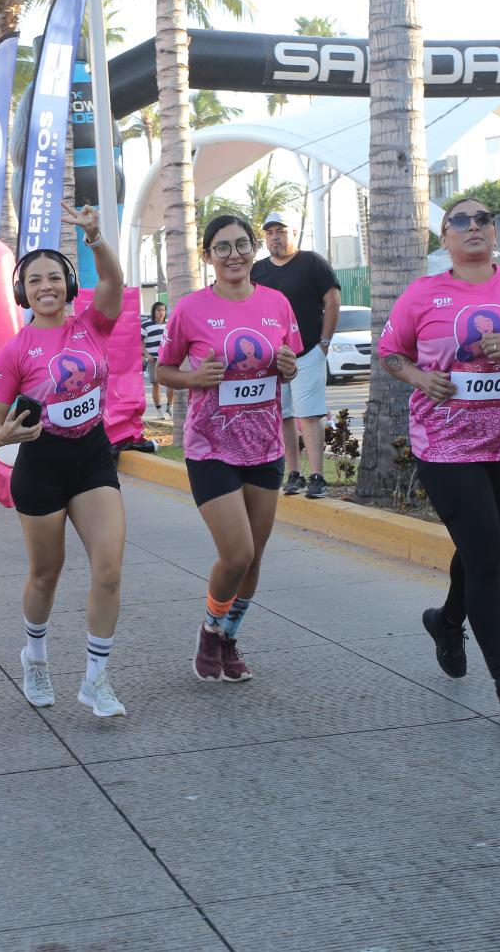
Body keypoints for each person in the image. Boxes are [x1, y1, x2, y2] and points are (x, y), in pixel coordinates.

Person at [380, 198, 500, 718]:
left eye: (481, 219)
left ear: (493, 232)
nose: (472, 227)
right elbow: (391, 353)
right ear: (444, 238)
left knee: (478, 548)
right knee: (487, 555)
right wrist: (421, 378)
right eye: (459, 221)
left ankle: (447, 620)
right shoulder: (422, 294)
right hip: (443, 446)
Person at [0, 202, 128, 718]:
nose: (46, 286)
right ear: (23, 291)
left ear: (68, 285)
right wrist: (6, 433)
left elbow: (114, 278)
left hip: (92, 457)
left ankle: (95, 680)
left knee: (108, 569)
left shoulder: (94, 326)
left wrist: (94, 236)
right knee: (47, 574)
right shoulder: (15, 351)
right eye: (35, 280)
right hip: (40, 467)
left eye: (54, 278)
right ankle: (35, 656)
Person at [154, 214, 298, 683]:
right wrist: (192, 379)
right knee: (236, 554)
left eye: (241, 245)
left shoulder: (276, 303)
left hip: (264, 445)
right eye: (222, 247)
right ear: (207, 255)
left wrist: (287, 366)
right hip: (210, 446)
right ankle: (209, 628)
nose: (234, 254)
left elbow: (288, 360)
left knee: (255, 558)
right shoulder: (191, 308)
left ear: (254, 249)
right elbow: (164, 370)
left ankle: (229, 637)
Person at [250, 209, 339, 499]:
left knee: (310, 414)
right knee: (283, 416)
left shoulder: (312, 262)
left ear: (294, 233)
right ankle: (294, 474)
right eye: (270, 232)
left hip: (308, 351)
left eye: (281, 230)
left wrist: (323, 345)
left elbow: (332, 300)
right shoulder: (257, 270)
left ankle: (317, 476)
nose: (275, 236)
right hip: (273, 359)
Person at [140, 301, 171, 416]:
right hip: (153, 359)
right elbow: (139, 342)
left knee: (171, 383)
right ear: (154, 311)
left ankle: (169, 407)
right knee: (156, 384)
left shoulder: (169, 324)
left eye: (163, 310)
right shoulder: (146, 325)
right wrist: (147, 355)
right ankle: (159, 411)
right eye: (158, 310)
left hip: (168, 359)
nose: (161, 312)